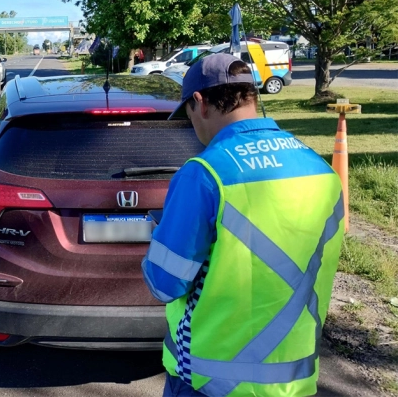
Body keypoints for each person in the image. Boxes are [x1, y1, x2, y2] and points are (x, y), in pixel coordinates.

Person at [142, 54, 344, 396]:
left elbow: (165, 284)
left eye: (189, 115)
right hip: (292, 382)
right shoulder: (321, 171)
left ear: (200, 103)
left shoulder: (205, 174)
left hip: (207, 382)